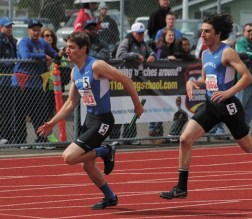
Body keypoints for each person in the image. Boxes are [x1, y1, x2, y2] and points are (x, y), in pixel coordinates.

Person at [159, 13, 252, 200]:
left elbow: (247, 77)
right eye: (201, 32)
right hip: (211, 105)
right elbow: (207, 80)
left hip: (229, 106)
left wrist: (228, 92)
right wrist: (193, 83)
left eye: (207, 32)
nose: (202, 35)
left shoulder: (227, 52)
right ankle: (182, 188)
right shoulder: (205, 53)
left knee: (249, 146)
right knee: (185, 139)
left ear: (218, 34)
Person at [37, 31, 144, 209]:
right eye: (67, 47)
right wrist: (52, 122)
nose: (67, 51)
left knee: (69, 157)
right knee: (88, 165)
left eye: (71, 47)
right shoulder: (74, 73)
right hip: (90, 120)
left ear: (83, 49)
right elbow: (71, 102)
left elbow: (124, 79)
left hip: (103, 121)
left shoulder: (96, 66)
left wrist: (137, 105)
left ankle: (106, 150)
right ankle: (110, 197)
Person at [12, 19, 62, 146]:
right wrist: (43, 56)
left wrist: (60, 54)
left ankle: (42, 140)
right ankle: (21, 141)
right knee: (20, 113)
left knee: (40, 113)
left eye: (38, 30)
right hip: (21, 83)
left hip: (36, 84)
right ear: (28, 30)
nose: (36, 32)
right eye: (33, 30)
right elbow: (25, 56)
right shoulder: (24, 41)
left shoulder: (42, 43)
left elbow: (54, 54)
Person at [115, 22, 155, 145]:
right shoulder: (127, 42)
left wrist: (152, 56)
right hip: (122, 80)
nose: (141, 36)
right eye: (138, 33)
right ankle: (115, 138)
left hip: (135, 81)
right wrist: (135, 55)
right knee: (120, 108)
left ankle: (130, 137)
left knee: (132, 107)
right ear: (133, 33)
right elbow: (119, 55)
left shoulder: (143, 44)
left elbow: (151, 52)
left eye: (142, 33)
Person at [0, 16, 17, 144]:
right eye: (7, 26)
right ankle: (2, 135)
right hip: (2, 80)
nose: (9, 28)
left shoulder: (11, 40)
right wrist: (13, 63)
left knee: (8, 108)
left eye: (10, 26)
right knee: (3, 108)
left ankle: (8, 134)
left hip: (10, 81)